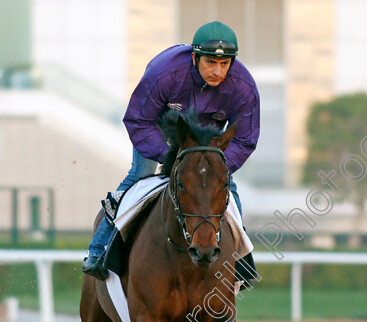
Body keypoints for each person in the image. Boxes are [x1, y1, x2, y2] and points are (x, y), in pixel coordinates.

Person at [83, 21, 260, 282]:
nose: (218, 71)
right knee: (139, 175)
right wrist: (170, 156)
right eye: (211, 62)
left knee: (224, 186)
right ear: (194, 57)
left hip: (205, 142)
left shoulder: (243, 87)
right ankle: (99, 250)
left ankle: (240, 263)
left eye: (225, 64)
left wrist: (216, 167)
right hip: (160, 130)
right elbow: (138, 121)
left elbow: (244, 140)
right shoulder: (165, 73)